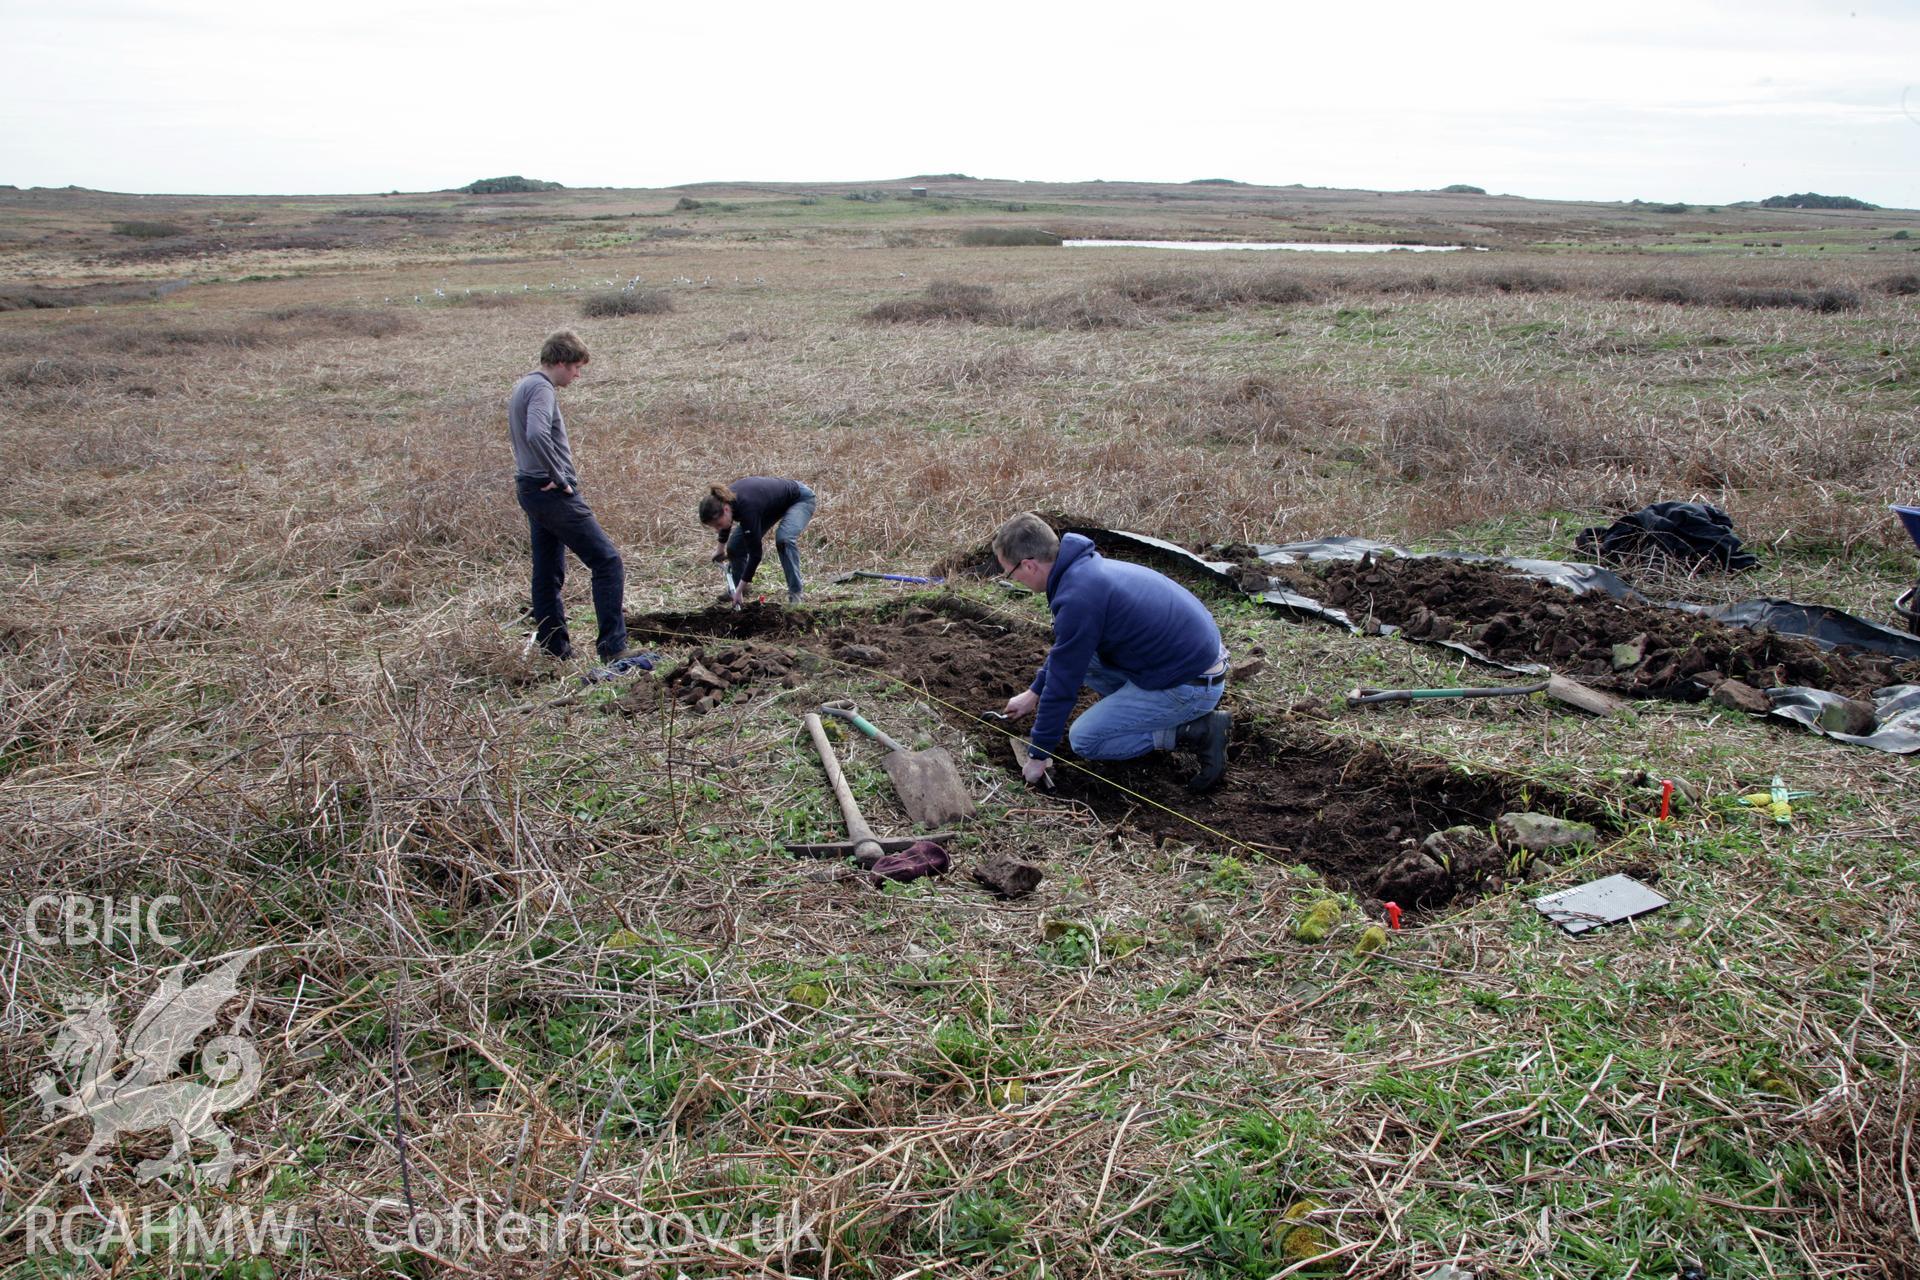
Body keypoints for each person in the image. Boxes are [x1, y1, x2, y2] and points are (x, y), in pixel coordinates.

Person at [994, 512, 1231, 793]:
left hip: (1191, 686)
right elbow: (1066, 654)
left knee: (1085, 739)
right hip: (1186, 664)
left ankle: (1196, 731)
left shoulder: (1078, 597)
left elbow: (1062, 686)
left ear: (1029, 566)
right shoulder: (1082, 570)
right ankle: (1138, 713)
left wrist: (1038, 754)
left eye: (1010, 573)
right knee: (1089, 659)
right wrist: (1034, 693)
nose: (1014, 579)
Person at [508, 331, 629, 662]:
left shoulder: (524, 385)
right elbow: (535, 433)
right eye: (576, 367)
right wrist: (558, 476)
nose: (577, 375)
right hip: (550, 493)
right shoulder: (542, 388)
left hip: (530, 488)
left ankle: (554, 649)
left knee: (547, 572)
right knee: (607, 561)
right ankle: (614, 648)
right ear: (560, 362)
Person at [697, 478, 817, 604]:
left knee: (784, 539)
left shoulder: (746, 508)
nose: (717, 530)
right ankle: (738, 589)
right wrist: (720, 549)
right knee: (735, 547)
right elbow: (725, 524)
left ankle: (796, 594)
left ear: (726, 510)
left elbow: (755, 555)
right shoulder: (724, 501)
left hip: (800, 499)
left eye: (718, 524)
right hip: (769, 506)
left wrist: (740, 589)